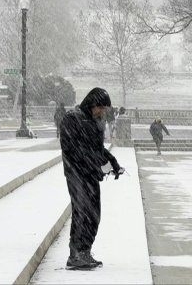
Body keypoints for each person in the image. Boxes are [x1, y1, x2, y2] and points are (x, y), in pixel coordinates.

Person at [59, 87, 122, 270]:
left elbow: (97, 149)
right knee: (82, 212)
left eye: (104, 109)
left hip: (91, 174)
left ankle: (85, 251)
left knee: (94, 214)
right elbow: (71, 148)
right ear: (91, 104)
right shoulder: (72, 118)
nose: (102, 112)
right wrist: (90, 164)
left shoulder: (96, 121)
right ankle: (76, 255)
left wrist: (112, 162)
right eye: (100, 107)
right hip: (77, 173)